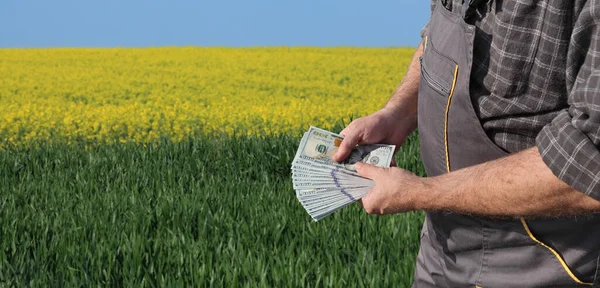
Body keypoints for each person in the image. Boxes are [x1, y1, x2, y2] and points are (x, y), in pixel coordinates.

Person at [332, 0, 600, 286]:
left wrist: (420, 193)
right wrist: (397, 114)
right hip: (439, 255)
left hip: (539, 267)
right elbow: (438, 36)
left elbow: (588, 168)